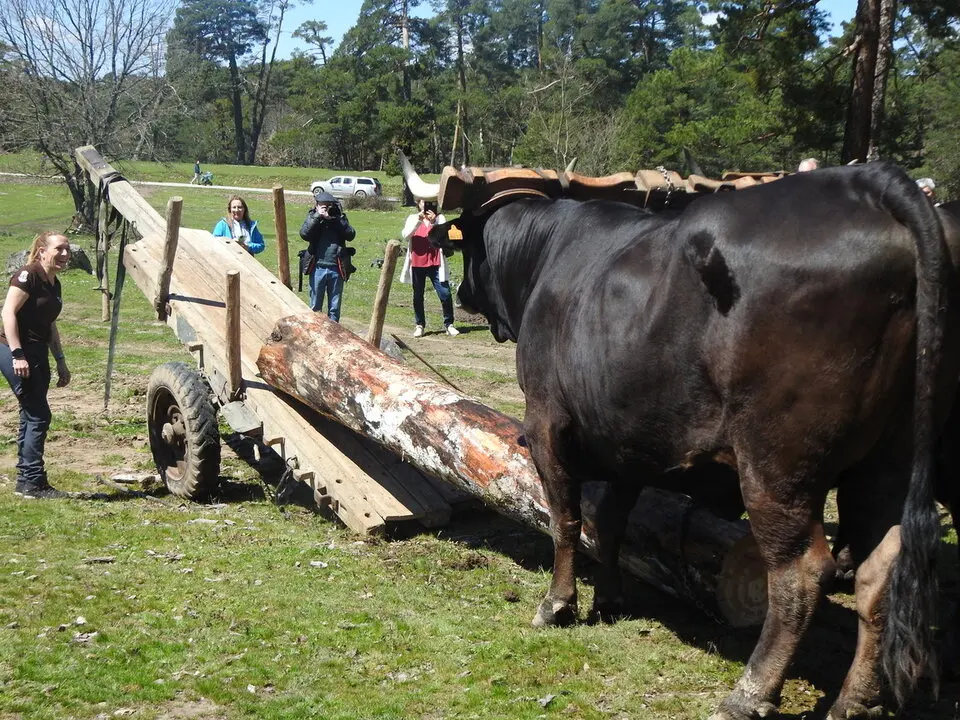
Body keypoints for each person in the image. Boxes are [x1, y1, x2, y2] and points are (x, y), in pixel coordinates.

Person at [0, 232, 72, 499]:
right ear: (42, 251)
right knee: (39, 415)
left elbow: (51, 324)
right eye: (59, 249)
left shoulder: (54, 283)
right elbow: (7, 312)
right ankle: (33, 482)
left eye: (67, 249)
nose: (65, 254)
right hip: (13, 350)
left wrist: (61, 361)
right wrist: (18, 353)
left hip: (39, 351)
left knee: (30, 414)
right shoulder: (27, 275)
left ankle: (25, 481)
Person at [399, 198, 458, 337]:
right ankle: (419, 325)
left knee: (445, 294)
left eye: (430, 202)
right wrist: (419, 220)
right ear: (418, 204)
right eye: (423, 202)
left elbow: (444, 238)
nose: (426, 205)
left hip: (436, 262)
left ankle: (449, 324)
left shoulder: (440, 218)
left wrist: (433, 223)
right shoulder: (413, 218)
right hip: (418, 262)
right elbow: (406, 236)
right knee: (418, 295)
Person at [299, 190, 356, 322]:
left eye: (329, 205)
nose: (327, 209)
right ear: (317, 206)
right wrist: (318, 217)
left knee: (334, 309)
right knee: (314, 307)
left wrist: (337, 220)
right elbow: (304, 234)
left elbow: (351, 235)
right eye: (323, 206)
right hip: (317, 267)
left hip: (337, 267)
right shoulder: (313, 217)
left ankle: (334, 335)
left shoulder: (339, 218)